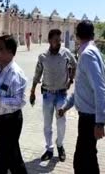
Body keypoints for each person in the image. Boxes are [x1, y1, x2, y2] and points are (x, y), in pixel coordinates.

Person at [59, 20, 105, 174]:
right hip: (88, 117)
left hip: (89, 119)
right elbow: (84, 88)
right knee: (88, 159)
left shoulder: (87, 55)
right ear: (93, 34)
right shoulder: (92, 52)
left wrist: (100, 122)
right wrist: (67, 106)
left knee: (81, 162)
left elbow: (99, 88)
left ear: (76, 35)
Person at [30, 29, 77, 162]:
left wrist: (71, 79)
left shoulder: (66, 53)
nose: (59, 41)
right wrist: (32, 91)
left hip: (61, 94)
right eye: (56, 39)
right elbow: (37, 74)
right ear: (50, 40)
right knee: (47, 124)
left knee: (61, 123)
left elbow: (74, 65)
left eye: (60, 39)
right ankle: (49, 149)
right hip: (47, 95)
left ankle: (60, 145)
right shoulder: (43, 56)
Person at [0, 35, 28, 174]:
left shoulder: (15, 74)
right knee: (10, 158)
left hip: (10, 122)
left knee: (3, 160)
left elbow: (20, 101)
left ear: (10, 52)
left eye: (0, 48)